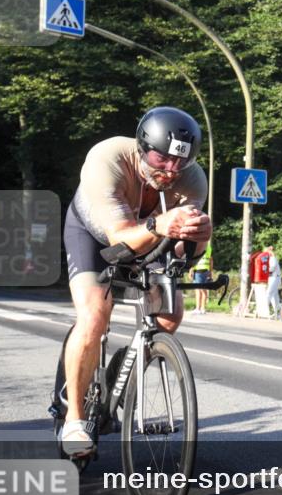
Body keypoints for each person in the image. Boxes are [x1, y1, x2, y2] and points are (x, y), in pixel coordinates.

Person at [59, 106, 211, 457]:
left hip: (151, 235)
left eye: (180, 163)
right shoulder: (107, 158)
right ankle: (74, 420)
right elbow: (119, 240)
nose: (170, 171)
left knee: (170, 315)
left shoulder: (192, 178)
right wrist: (160, 225)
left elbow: (181, 252)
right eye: (161, 159)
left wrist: (199, 237)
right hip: (95, 235)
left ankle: (120, 373)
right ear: (143, 147)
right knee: (95, 315)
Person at [191, 243, 213, 314]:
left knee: (198, 290)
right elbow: (210, 259)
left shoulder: (198, 245)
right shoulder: (208, 246)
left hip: (198, 270)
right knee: (204, 290)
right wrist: (210, 271)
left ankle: (198, 308)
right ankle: (203, 308)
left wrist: (191, 269)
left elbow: (194, 259)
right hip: (205, 270)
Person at [265, 245, 282, 319]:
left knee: (268, 293)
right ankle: (277, 313)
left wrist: (264, 270)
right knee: (274, 296)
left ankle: (264, 310)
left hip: (274, 278)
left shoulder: (272, 258)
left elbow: (272, 268)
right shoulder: (270, 259)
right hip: (272, 278)